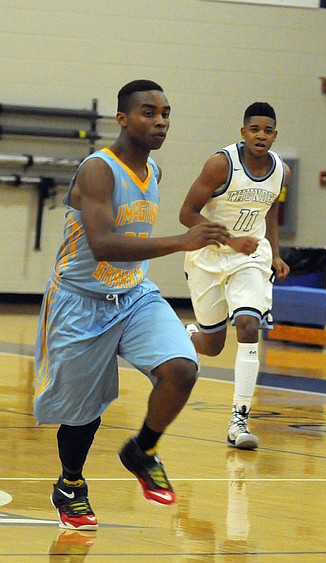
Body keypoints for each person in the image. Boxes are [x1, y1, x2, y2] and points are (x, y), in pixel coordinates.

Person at [33, 80, 231, 530]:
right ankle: (70, 484)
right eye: (148, 112)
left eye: (165, 113)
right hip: (80, 300)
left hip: (134, 295)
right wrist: (182, 241)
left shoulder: (153, 171)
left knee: (181, 368)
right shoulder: (98, 170)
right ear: (123, 118)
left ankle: (142, 449)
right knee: (83, 414)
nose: (159, 121)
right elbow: (102, 244)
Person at [180, 102, 290, 450]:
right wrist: (229, 240)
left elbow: (270, 209)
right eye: (254, 129)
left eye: (268, 130)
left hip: (250, 257)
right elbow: (187, 213)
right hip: (209, 257)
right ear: (243, 132)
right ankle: (186, 337)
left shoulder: (281, 171)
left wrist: (273, 252)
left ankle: (239, 419)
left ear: (275, 135)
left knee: (248, 326)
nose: (261, 135)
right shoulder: (220, 164)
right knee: (213, 347)